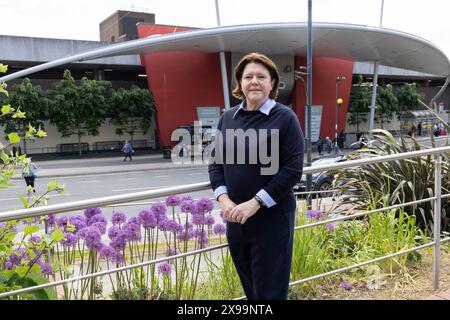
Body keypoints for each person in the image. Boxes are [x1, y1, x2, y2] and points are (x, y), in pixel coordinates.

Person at [208, 52, 304, 300]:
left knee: (269, 292)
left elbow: (292, 170)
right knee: (251, 290)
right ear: (239, 83)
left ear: (272, 82)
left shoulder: (285, 118)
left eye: (261, 76)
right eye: (248, 76)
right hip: (236, 220)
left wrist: (255, 203)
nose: (254, 81)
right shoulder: (227, 118)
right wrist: (224, 201)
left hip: (272, 220)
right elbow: (215, 165)